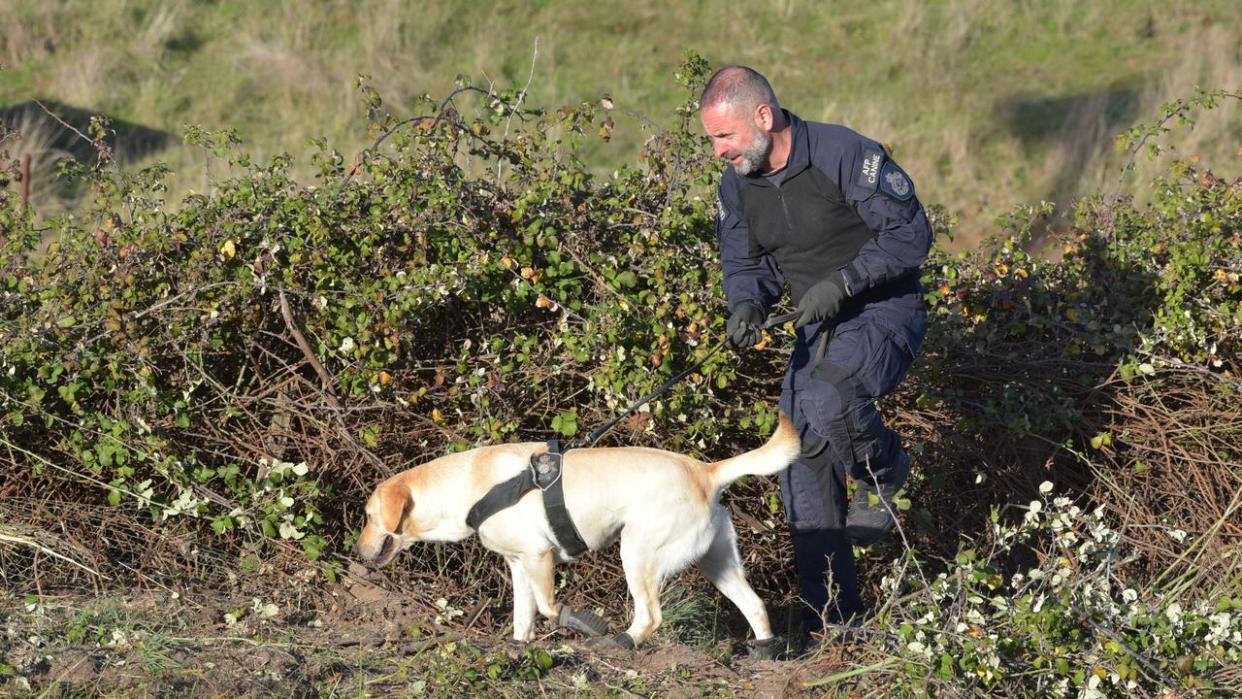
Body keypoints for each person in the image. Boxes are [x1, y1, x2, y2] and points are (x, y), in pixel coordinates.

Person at [699, 66, 931, 640]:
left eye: (724, 137)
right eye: (712, 140)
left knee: (830, 394)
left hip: (882, 314)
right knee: (797, 454)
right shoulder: (737, 185)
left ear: (763, 116)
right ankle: (834, 620)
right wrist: (746, 305)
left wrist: (845, 282)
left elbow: (911, 236)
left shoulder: (846, 154)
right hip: (818, 330)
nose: (718, 151)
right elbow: (744, 263)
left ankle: (885, 475)